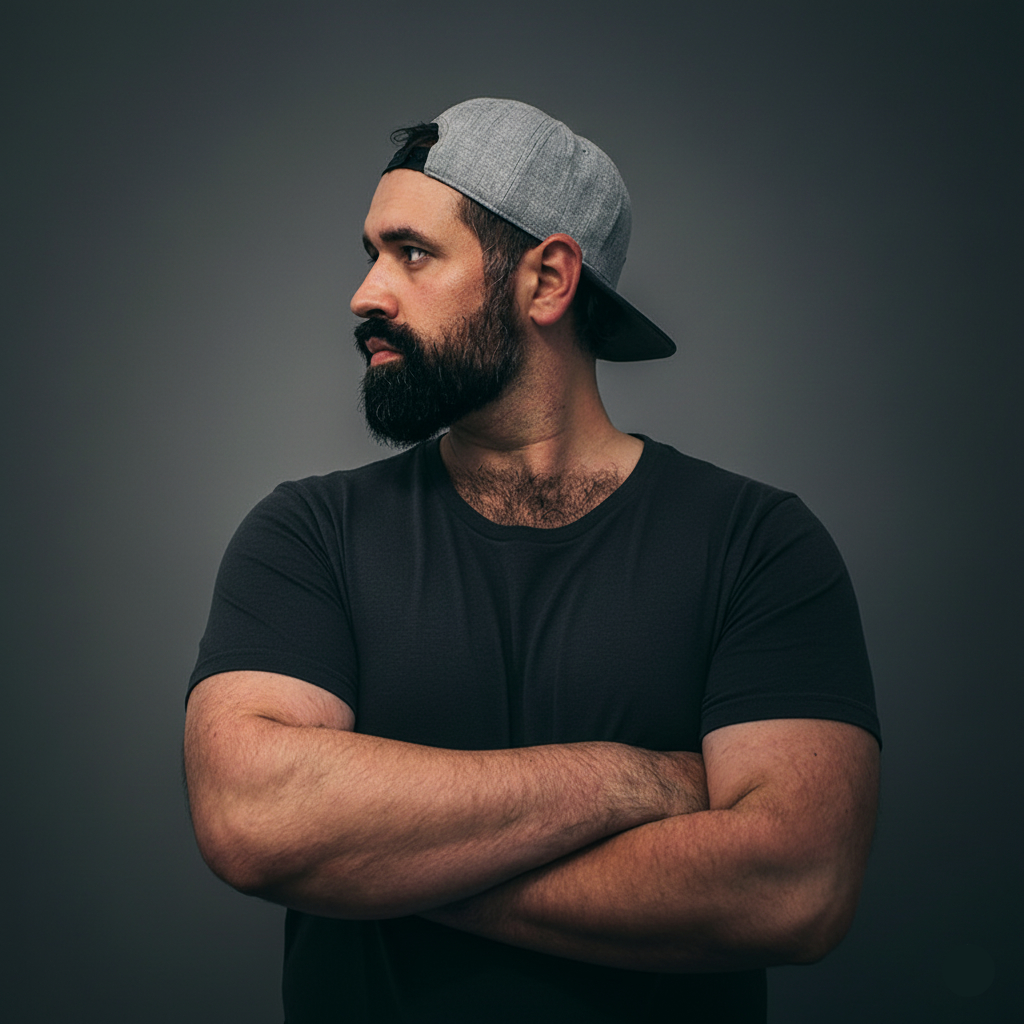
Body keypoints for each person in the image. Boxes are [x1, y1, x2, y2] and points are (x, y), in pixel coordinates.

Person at [184, 98, 881, 1024]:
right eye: (372, 254)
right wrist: (633, 780)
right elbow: (253, 817)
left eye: (412, 253)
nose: (366, 295)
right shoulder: (309, 535)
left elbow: (794, 888)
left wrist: (381, 866)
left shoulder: (756, 545)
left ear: (547, 279)